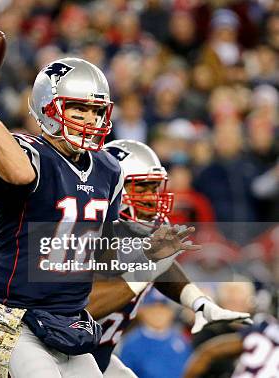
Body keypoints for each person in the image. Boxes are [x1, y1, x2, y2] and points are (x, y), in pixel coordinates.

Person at [0, 52, 197, 377]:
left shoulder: (108, 168)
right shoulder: (24, 150)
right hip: (16, 318)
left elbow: (103, 252)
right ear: (48, 108)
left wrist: (148, 258)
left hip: (70, 321)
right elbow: (20, 173)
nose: (90, 119)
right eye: (79, 108)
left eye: (96, 110)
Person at [86, 139, 250, 377]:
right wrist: (146, 266)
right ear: (110, 188)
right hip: (61, 353)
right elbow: (84, 308)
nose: (151, 198)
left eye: (154, 188)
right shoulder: (87, 232)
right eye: (141, 188)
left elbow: (162, 268)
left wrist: (197, 302)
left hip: (99, 355)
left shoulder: (142, 230)